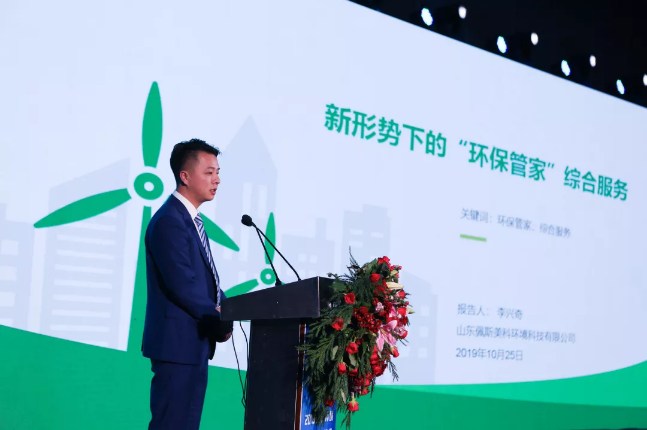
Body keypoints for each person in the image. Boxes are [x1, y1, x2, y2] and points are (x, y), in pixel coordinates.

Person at [142, 138, 233, 430]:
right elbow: (183, 284)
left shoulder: (190, 220)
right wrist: (219, 318)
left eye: (217, 172)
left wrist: (232, 309)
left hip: (193, 345)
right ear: (185, 176)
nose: (217, 180)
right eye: (209, 172)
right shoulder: (170, 220)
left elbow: (207, 283)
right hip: (177, 346)